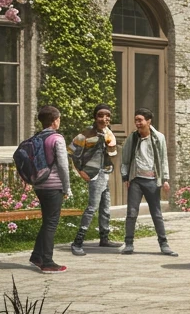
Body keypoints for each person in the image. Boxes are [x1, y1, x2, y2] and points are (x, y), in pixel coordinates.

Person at [120, 109, 177, 257]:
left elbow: (163, 159)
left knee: (156, 214)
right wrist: (125, 177)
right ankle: (129, 243)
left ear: (148, 121)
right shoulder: (132, 138)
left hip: (152, 180)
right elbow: (125, 159)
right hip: (136, 180)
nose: (137, 123)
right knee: (132, 213)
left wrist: (165, 179)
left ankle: (164, 244)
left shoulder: (158, 138)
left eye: (140, 120)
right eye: (136, 120)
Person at [70, 103, 121, 256]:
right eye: (100, 115)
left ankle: (104, 238)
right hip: (93, 174)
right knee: (92, 207)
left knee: (105, 206)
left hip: (105, 172)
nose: (104, 119)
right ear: (95, 117)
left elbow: (112, 153)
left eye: (107, 116)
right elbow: (72, 153)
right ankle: (77, 242)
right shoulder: (85, 134)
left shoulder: (109, 133)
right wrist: (80, 171)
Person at [29, 106, 71, 273]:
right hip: (53, 186)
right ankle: (47, 262)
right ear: (55, 120)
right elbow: (63, 166)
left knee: (47, 222)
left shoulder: (36, 138)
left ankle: (36, 256)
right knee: (51, 223)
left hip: (39, 185)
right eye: (58, 118)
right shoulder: (57, 139)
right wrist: (67, 187)